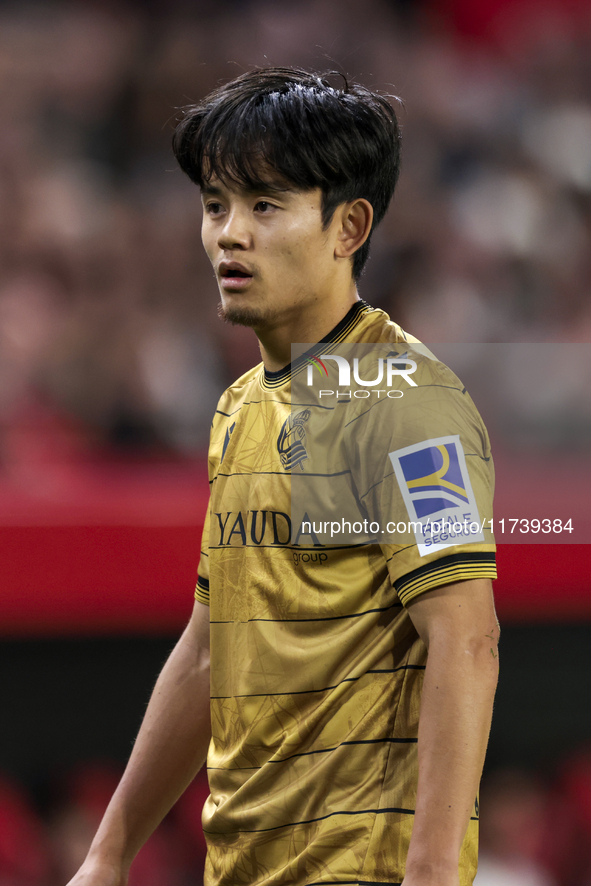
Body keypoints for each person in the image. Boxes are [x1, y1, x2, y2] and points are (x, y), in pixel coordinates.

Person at [68, 67, 499, 886]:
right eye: (215, 205)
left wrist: (432, 873)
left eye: (265, 206)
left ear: (348, 228)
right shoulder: (238, 408)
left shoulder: (407, 401)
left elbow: (465, 636)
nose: (230, 234)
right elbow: (206, 653)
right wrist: (108, 852)